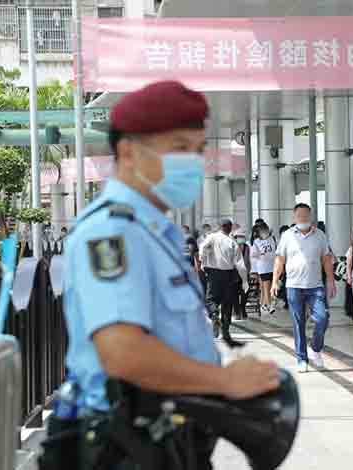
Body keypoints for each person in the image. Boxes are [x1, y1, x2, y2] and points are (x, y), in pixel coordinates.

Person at [57, 80, 279, 468]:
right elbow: (122, 352)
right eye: (179, 148)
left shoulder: (154, 231)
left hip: (168, 440)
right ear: (128, 152)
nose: (192, 162)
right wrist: (224, 381)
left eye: (197, 150)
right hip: (126, 446)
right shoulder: (111, 233)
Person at [271, 204, 335, 373]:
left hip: (315, 286)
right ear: (294, 217)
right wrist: (274, 281)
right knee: (298, 323)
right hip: (294, 286)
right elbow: (279, 260)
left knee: (322, 318)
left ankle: (315, 348)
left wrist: (331, 281)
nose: (303, 219)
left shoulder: (320, 235)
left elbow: (326, 259)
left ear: (310, 216)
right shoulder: (287, 236)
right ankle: (301, 358)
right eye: (299, 216)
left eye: (306, 215)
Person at [200, 218, 244, 347]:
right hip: (229, 275)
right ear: (230, 228)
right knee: (227, 304)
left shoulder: (212, 237)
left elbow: (202, 248)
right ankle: (225, 331)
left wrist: (203, 262)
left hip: (214, 274)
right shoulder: (232, 242)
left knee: (210, 300)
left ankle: (214, 315)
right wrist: (245, 280)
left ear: (220, 226)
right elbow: (240, 264)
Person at [251, 223, 278, 315]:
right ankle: (269, 305)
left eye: (265, 230)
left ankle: (266, 304)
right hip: (263, 267)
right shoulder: (256, 241)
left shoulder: (272, 238)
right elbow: (253, 254)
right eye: (262, 230)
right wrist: (260, 254)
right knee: (266, 287)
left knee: (272, 287)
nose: (264, 232)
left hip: (273, 266)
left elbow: (275, 250)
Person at [233, 231, 252, 321]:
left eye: (242, 236)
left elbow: (248, 260)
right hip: (235, 273)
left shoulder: (247, 247)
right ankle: (237, 312)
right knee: (235, 293)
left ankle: (243, 309)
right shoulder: (233, 247)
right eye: (239, 236)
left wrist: (248, 271)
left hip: (245, 273)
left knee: (245, 292)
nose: (241, 238)